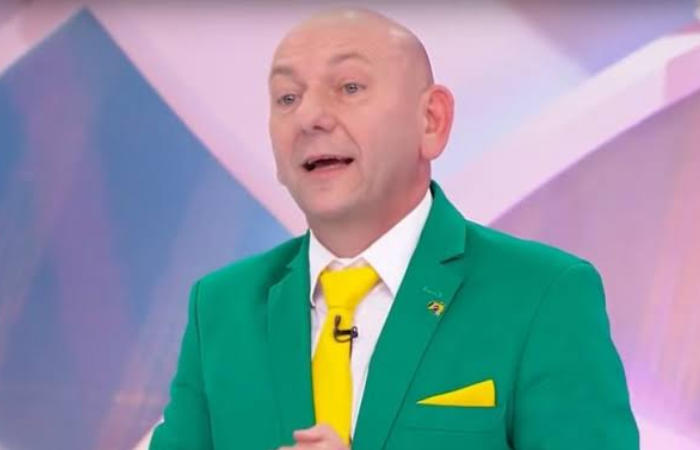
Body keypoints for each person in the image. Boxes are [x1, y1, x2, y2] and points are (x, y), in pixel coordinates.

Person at [150, 7, 638, 450]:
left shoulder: (542, 294)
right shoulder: (222, 306)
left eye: (349, 88)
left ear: (431, 120)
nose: (309, 117)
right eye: (287, 97)